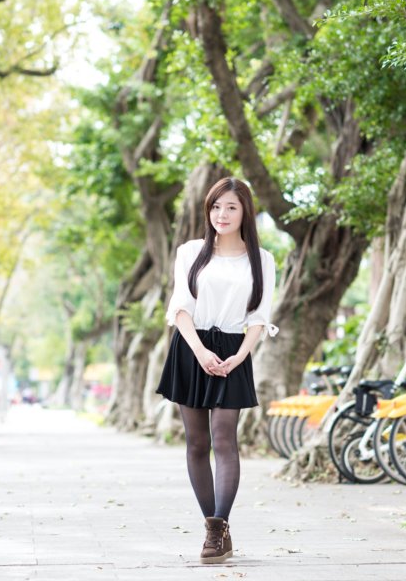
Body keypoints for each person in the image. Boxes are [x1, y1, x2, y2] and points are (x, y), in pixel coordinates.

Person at [156, 177, 278, 565]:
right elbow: (180, 308)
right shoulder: (191, 252)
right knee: (196, 443)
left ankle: (218, 526)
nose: (221, 215)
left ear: (245, 212)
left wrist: (240, 356)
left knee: (224, 438)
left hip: (233, 351)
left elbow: (259, 318)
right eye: (215, 207)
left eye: (231, 207)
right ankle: (216, 530)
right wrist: (199, 351)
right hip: (191, 346)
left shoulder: (263, 260)